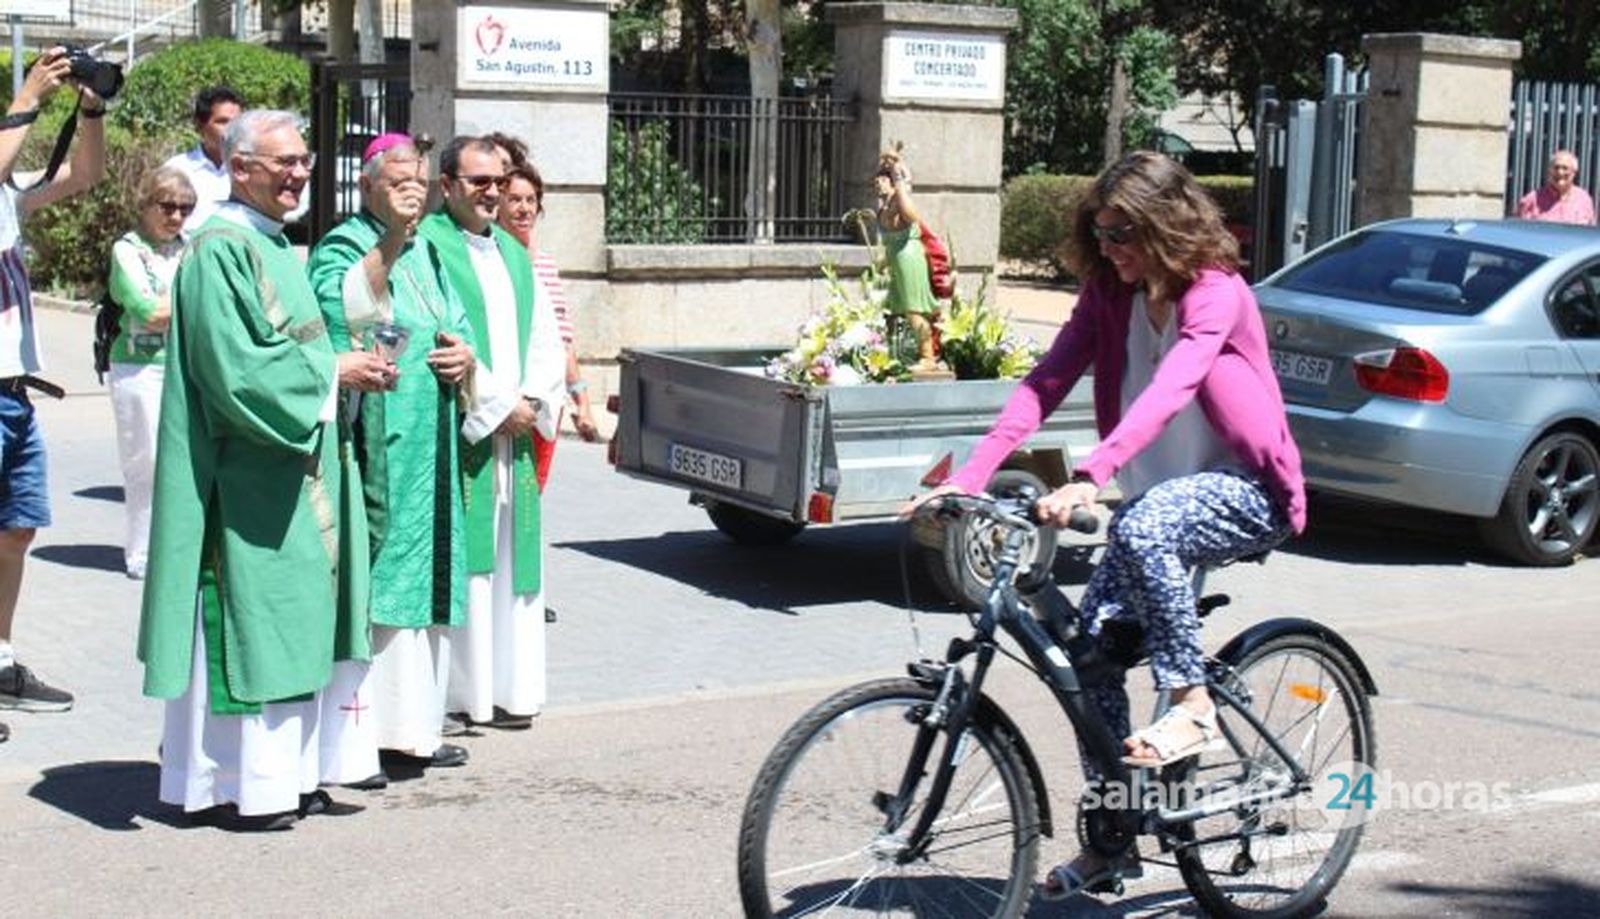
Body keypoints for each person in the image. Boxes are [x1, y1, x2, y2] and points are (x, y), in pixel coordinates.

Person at [906, 151, 1307, 900]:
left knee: (1144, 524)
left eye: (1123, 232)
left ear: (1165, 223)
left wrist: (1094, 471)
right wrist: (971, 473)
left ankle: (1191, 703)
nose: (1111, 246)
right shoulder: (1107, 294)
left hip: (1246, 491)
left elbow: (1172, 387)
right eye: (1101, 231)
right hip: (1154, 508)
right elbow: (1046, 380)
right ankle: (1115, 838)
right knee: (1089, 663)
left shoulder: (1217, 293)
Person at [136, 109, 392, 830]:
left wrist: (344, 372)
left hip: (295, 462)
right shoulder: (219, 248)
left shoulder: (275, 243)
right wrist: (331, 372)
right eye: (283, 162)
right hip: (244, 472)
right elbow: (237, 371)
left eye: (305, 160)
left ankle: (296, 773)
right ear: (239, 166)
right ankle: (239, 783)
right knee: (253, 620)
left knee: (299, 618)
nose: (299, 173)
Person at [308, 133, 477, 778]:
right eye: (398, 178)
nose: (414, 188)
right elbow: (346, 309)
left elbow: (453, 318)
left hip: (430, 434)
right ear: (367, 184)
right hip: (375, 436)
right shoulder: (346, 242)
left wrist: (465, 356)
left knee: (430, 570)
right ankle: (368, 733)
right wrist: (392, 239)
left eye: (420, 179)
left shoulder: (431, 248)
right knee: (382, 572)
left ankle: (418, 728)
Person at [419, 136, 564, 730]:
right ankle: (464, 695)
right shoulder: (427, 247)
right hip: (467, 431)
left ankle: (512, 689)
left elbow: (544, 338)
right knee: (470, 563)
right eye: (478, 181)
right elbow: (435, 336)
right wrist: (496, 406)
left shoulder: (512, 250)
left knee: (513, 561)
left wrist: (533, 400)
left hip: (517, 432)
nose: (492, 192)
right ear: (448, 185)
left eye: (497, 182)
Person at [0, 47, 108, 740]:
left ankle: (1, 657)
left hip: (15, 391)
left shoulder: (8, 196)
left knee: (16, 529)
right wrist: (30, 95)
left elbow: (87, 173)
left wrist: (91, 107)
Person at [105, 167, 196, 580]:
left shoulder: (190, 248)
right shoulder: (128, 250)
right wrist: (195, 304)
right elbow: (149, 312)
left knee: (184, 462)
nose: (176, 217)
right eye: (168, 206)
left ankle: (178, 549)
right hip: (139, 368)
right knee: (146, 459)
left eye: (185, 208)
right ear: (145, 205)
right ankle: (140, 552)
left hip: (186, 365)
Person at [494, 161, 601, 482]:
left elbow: (561, 338)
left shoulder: (545, 264)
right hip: (509, 402)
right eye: (514, 199)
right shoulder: (489, 259)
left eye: (531, 200)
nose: (524, 208)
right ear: (498, 204)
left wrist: (582, 401)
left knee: (531, 499)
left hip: (547, 402)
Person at [874, 148, 943, 373]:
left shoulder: (899, 201)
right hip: (896, 261)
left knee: (914, 309)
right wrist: (883, 262)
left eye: (883, 180)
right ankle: (894, 352)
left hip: (910, 259)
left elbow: (912, 217)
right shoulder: (883, 206)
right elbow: (891, 241)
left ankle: (928, 357)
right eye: (876, 180)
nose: (878, 184)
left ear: (893, 182)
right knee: (895, 309)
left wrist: (900, 181)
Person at [161, 85, 244, 231]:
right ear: (200, 125)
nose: (232, 130)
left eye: (237, 122)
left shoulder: (250, 171)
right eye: (223, 122)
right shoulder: (178, 170)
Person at [1515, 150, 1596, 225]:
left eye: (1565, 168)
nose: (1560, 172)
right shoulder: (1532, 200)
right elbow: (1519, 231)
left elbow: (1589, 231)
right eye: (1556, 168)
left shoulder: (1584, 199)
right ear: (1549, 171)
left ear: (1574, 173)